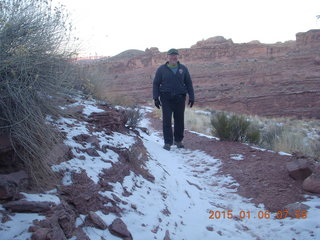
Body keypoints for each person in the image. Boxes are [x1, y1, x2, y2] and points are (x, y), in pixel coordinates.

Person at [153, 48, 195, 151]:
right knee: (167, 120)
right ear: (167, 57)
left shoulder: (183, 69)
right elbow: (156, 83)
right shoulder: (161, 69)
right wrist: (156, 98)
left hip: (180, 98)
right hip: (166, 98)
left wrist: (192, 96)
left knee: (179, 120)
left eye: (175, 55)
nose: (173, 57)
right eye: (171, 55)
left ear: (178, 57)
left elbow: (189, 83)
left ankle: (178, 141)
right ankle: (167, 143)